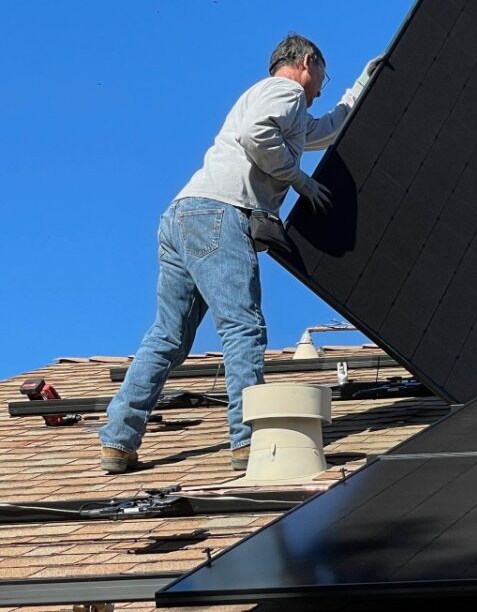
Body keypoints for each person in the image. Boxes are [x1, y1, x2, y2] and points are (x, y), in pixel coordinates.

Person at [99, 34, 382, 473]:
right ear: (307, 62)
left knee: (167, 337)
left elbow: (324, 131)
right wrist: (300, 181)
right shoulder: (285, 91)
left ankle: (118, 439)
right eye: (325, 74)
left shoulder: (273, 101)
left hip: (182, 216)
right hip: (219, 214)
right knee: (242, 326)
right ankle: (248, 442)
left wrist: (362, 85)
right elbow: (257, 136)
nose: (324, 85)